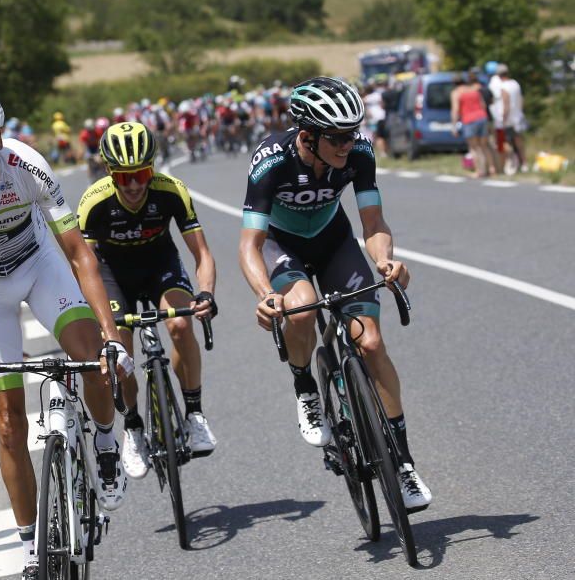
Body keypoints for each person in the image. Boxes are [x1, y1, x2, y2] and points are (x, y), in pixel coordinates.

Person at [0, 86, 133, 580]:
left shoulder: (29, 165)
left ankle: (103, 443)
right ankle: (28, 542)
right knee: (10, 423)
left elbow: (80, 255)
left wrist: (111, 334)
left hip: (40, 268)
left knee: (93, 360)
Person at [237, 76, 432, 511]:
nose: (349, 143)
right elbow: (249, 244)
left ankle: (402, 463)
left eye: (353, 133)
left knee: (372, 342)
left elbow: (373, 223)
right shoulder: (270, 161)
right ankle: (306, 388)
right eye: (338, 136)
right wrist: (266, 294)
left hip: (333, 240)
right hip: (281, 245)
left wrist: (384, 262)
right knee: (301, 309)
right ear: (307, 135)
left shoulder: (358, 153)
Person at [77, 122, 218, 479]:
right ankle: (134, 426)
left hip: (160, 266)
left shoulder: (172, 191)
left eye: (141, 174)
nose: (136, 184)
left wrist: (205, 294)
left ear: (152, 168)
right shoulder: (94, 202)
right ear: (110, 174)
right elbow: (86, 268)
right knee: (119, 354)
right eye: (124, 178)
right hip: (113, 276)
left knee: (180, 323)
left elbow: (201, 253)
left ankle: (195, 414)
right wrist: (100, 320)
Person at [451, 72, 495, 178]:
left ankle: (479, 171)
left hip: (469, 120)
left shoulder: (456, 93)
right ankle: (491, 168)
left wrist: (454, 126)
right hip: (482, 117)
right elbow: (483, 105)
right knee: (484, 146)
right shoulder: (473, 90)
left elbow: (455, 110)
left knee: (474, 147)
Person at [497, 65, 528, 172]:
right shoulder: (515, 83)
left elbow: (506, 104)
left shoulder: (504, 87)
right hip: (518, 117)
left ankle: (510, 163)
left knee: (504, 142)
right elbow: (521, 99)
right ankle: (524, 163)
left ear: (499, 75)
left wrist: (503, 120)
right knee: (519, 142)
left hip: (508, 119)